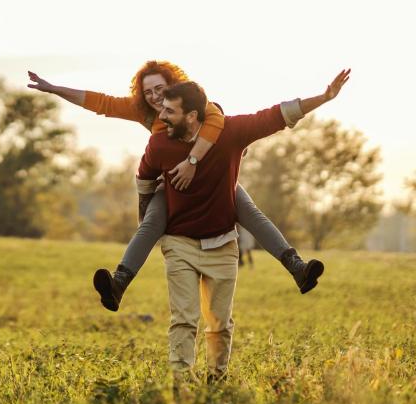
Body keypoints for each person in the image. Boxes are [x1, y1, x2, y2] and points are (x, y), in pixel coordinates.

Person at [27, 62, 327, 310]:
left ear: (173, 86)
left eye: (160, 89)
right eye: (148, 92)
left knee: (250, 212)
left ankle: (297, 267)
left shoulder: (199, 106)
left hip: (213, 178)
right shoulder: (146, 112)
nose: (155, 97)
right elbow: (100, 103)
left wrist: (193, 161)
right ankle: (118, 283)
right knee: (150, 224)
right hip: (170, 183)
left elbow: (222, 123)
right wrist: (54, 89)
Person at [135, 72, 348, 382]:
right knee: (184, 319)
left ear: (192, 116)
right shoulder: (159, 143)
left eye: (169, 111)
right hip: (178, 242)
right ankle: (181, 383)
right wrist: (148, 221)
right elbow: (143, 179)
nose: (161, 115)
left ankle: (217, 380)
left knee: (219, 323)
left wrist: (324, 97)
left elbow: (278, 115)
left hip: (221, 243)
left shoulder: (231, 132)